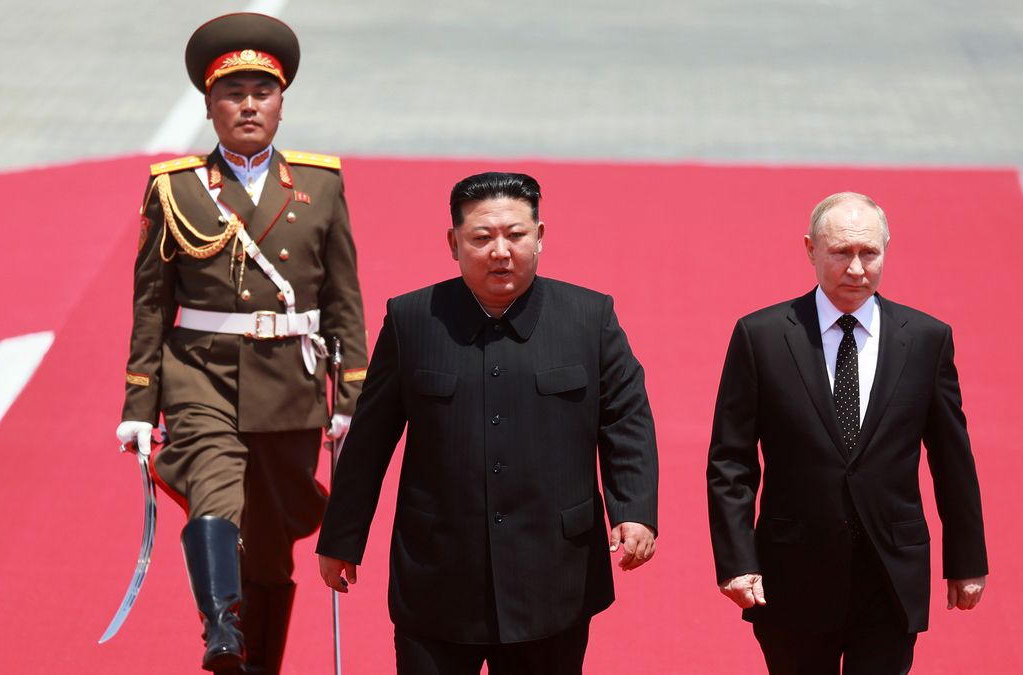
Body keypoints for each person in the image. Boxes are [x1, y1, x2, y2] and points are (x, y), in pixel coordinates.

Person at [316, 172, 659, 674]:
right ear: (453, 243)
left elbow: (626, 417)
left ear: (540, 236)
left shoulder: (589, 317)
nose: (501, 251)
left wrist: (634, 509)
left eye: (516, 235)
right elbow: (370, 437)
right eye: (482, 237)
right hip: (437, 575)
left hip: (553, 575)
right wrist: (342, 537)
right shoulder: (412, 320)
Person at [114, 12, 367, 673]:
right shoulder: (175, 188)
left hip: (290, 384)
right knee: (212, 487)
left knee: (272, 541)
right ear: (209, 107)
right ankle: (220, 625)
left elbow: (343, 298)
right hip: (200, 374)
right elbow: (151, 303)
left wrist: (352, 396)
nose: (248, 105)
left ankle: (256, 663)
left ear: (281, 105)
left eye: (262, 92)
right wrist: (139, 404)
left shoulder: (319, 185)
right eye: (233, 93)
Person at [706, 192, 988, 674]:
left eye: (869, 253)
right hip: (793, 575)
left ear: (886, 249)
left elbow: (951, 457)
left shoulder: (926, 339)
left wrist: (966, 559)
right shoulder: (762, 336)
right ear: (810, 249)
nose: (856, 269)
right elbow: (731, 461)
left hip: (890, 573)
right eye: (841, 252)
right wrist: (736, 561)